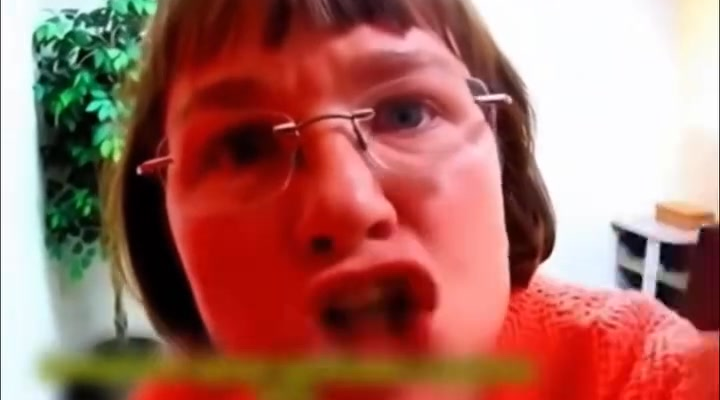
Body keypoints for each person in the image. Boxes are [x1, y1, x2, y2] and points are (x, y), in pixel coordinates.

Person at [104, 0, 718, 399]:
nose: (345, 204)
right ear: (165, 231)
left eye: (405, 113)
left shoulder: (635, 369)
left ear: (501, 157)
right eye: (244, 148)